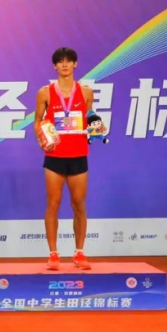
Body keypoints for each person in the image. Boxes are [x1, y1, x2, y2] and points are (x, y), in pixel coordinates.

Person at [34, 47, 99, 271]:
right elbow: (37, 121)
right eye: (60, 61)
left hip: (79, 154)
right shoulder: (45, 93)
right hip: (54, 156)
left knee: (78, 203)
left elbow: (90, 119)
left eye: (68, 61)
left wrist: (97, 128)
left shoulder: (86, 92)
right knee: (53, 204)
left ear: (75, 64)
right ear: (55, 66)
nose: (64, 65)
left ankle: (79, 252)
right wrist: (41, 139)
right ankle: (53, 254)